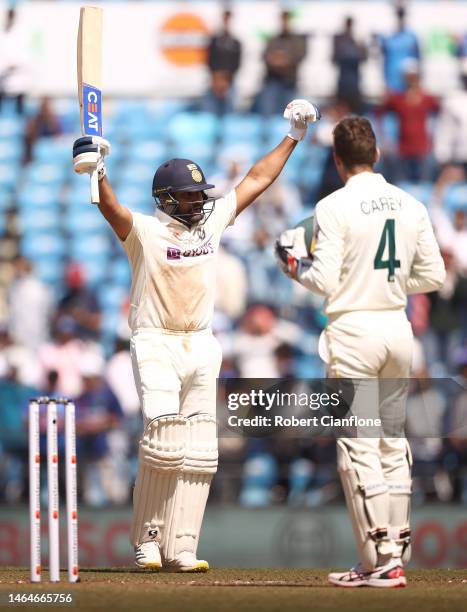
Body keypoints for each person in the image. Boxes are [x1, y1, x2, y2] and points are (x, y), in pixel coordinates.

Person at [72, 99, 320, 572]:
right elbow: (111, 207)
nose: (198, 201)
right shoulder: (143, 232)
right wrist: (96, 169)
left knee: (201, 450)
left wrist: (293, 135)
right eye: (188, 196)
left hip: (202, 342)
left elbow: (257, 180)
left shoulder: (211, 224)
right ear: (166, 198)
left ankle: (182, 546)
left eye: (199, 194)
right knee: (164, 439)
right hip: (156, 340)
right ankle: (147, 540)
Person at [276, 116, 445, 587]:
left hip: (353, 331)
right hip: (396, 327)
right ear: (377, 154)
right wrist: (385, 283)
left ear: (337, 159)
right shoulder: (410, 204)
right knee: (392, 442)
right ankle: (389, 555)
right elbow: (432, 277)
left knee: (358, 445)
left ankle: (382, 558)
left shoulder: (333, 206)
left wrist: (292, 264)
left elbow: (324, 280)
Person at [378, 60, 439, 182]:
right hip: (402, 150)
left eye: (414, 76)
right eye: (409, 77)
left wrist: (435, 139)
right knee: (401, 187)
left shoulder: (428, 98)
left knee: (424, 186)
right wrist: (384, 139)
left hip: (423, 149)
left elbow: (442, 116)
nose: (412, 80)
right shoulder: (397, 99)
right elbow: (379, 114)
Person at [257, 11, 307, 115]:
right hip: (272, 83)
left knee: (291, 118)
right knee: (269, 116)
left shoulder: (297, 41)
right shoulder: (273, 40)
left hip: (290, 84)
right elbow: (266, 57)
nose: (285, 23)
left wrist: (282, 59)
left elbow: (298, 56)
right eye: (283, 20)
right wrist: (281, 59)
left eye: (287, 20)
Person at [377, 6, 420, 94]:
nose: (400, 19)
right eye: (398, 16)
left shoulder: (412, 37)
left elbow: (418, 59)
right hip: (391, 83)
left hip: (408, 85)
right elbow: (383, 60)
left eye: (402, 15)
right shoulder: (388, 37)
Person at [332, 16, 367, 112]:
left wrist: (358, 44)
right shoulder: (339, 40)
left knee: (355, 113)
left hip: (355, 85)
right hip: (343, 84)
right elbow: (335, 58)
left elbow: (363, 58)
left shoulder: (358, 41)